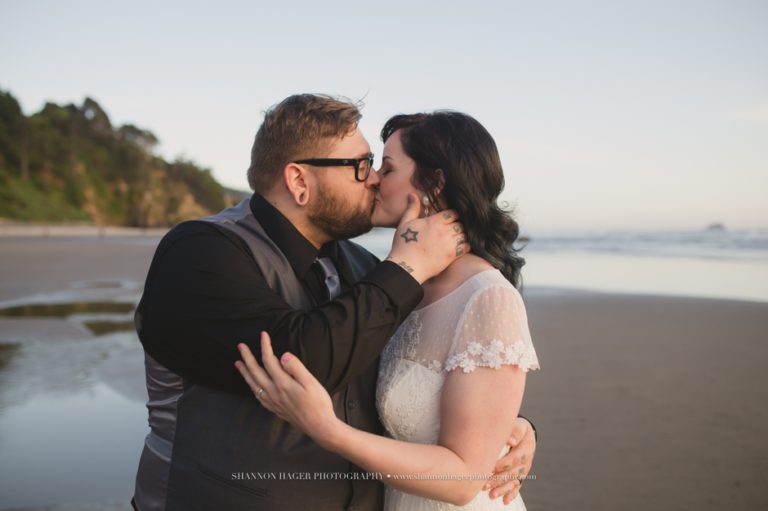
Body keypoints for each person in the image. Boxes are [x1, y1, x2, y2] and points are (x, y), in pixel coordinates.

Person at [131, 95, 536, 511]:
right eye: (361, 166)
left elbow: (420, 380)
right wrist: (407, 266)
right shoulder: (200, 253)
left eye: (381, 166)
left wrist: (505, 428)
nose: (374, 179)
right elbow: (303, 358)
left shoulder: (368, 269)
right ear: (299, 181)